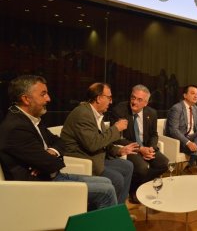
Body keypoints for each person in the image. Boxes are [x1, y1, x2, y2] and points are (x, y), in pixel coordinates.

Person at [0, 75, 117, 211]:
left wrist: (50, 153)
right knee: (106, 191)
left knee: (107, 181)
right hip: (37, 187)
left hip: (51, 176)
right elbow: (51, 164)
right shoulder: (15, 127)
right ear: (26, 99)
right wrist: (47, 161)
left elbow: (60, 142)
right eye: (43, 94)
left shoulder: (30, 119)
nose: (48, 99)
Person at [61, 82, 136, 204]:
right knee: (117, 179)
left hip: (96, 157)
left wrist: (119, 150)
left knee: (128, 166)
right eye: (109, 98)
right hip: (84, 161)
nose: (111, 102)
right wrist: (116, 128)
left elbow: (103, 141)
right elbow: (93, 144)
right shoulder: (82, 114)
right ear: (99, 98)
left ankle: (118, 210)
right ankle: (107, 215)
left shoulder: (96, 114)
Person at [111, 84, 169, 203]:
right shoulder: (120, 110)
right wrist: (140, 149)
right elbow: (117, 138)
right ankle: (134, 190)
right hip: (129, 147)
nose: (134, 102)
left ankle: (139, 185)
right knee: (142, 168)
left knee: (164, 163)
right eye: (133, 97)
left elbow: (154, 134)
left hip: (146, 147)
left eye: (139, 100)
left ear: (146, 103)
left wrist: (151, 148)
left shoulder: (151, 113)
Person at [165, 85, 197, 175]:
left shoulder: (196, 109)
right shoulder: (177, 108)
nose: (196, 96)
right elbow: (173, 130)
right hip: (179, 141)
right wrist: (188, 142)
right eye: (192, 93)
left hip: (192, 139)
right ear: (185, 95)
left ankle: (192, 163)